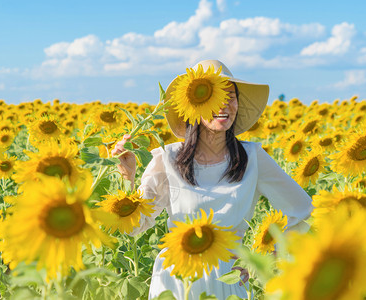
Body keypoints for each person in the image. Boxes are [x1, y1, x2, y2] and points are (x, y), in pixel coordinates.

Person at [112, 60, 313, 299]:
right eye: (212, 95)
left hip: (228, 278)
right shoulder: (167, 158)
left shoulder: (253, 158)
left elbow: (302, 210)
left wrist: (260, 260)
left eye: (231, 96)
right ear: (193, 105)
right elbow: (135, 226)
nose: (224, 104)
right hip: (175, 276)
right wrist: (128, 178)